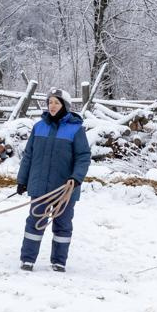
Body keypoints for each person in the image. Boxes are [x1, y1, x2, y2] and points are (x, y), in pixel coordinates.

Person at [15, 88, 91, 272]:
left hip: (65, 188)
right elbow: (29, 155)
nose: (52, 106)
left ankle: (59, 261)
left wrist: (76, 177)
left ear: (64, 105)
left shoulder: (75, 129)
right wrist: (22, 179)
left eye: (56, 102)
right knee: (34, 222)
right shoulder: (39, 127)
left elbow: (83, 156)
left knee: (62, 226)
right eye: (50, 102)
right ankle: (28, 260)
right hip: (40, 186)